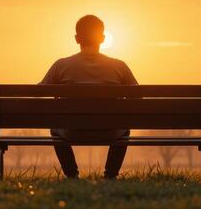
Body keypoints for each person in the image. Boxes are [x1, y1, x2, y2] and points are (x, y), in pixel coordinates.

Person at [40, 14, 138, 179]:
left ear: (77, 39)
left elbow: (38, 94)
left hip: (71, 131)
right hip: (111, 131)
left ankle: (72, 175)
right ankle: (110, 175)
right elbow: (138, 98)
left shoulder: (61, 66)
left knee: (55, 130)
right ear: (102, 38)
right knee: (124, 130)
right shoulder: (119, 67)